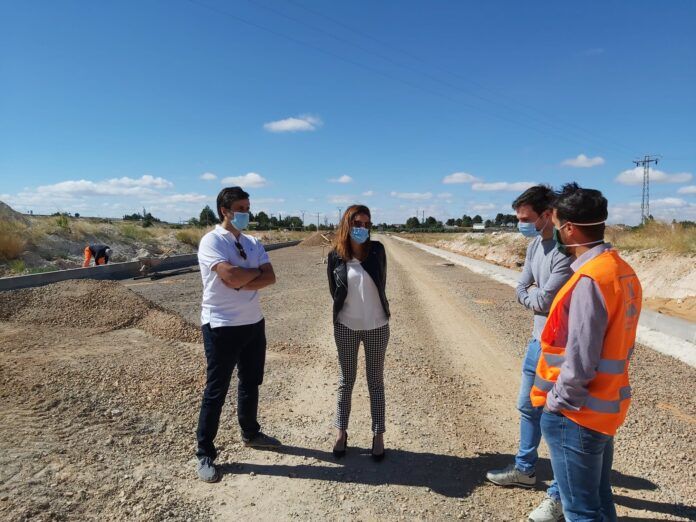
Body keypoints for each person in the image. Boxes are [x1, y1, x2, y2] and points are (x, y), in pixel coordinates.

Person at [530, 183, 642, 521]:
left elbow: (580, 359)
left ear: (568, 228)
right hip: (604, 406)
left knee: (580, 510)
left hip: (576, 413)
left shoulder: (590, 279)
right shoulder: (621, 270)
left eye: (557, 224)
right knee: (599, 499)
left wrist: (556, 405)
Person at [486, 185, 572, 522]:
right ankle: (525, 469)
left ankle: (561, 495)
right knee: (527, 406)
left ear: (548, 214)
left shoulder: (566, 252)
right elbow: (521, 288)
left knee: (556, 420)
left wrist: (532, 295)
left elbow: (544, 301)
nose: (522, 224)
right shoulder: (536, 244)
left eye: (527, 218)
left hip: (559, 348)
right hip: (537, 341)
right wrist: (531, 295)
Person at [195, 186, 280, 483]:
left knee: (251, 381)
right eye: (241, 208)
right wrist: (246, 277)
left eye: (248, 207)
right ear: (225, 211)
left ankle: (251, 432)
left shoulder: (253, 241)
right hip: (221, 326)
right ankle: (204, 452)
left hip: (253, 324)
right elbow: (229, 277)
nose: (246, 213)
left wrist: (243, 279)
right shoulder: (211, 241)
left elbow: (270, 277)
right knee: (216, 391)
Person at [327, 205, 390, 461]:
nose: (362, 228)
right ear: (347, 224)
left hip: (377, 325)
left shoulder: (377, 251)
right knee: (346, 381)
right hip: (346, 327)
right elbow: (334, 292)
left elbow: (382, 282)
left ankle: (378, 435)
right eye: (357, 223)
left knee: (375, 382)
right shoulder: (335, 256)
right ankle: (341, 433)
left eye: (366, 224)